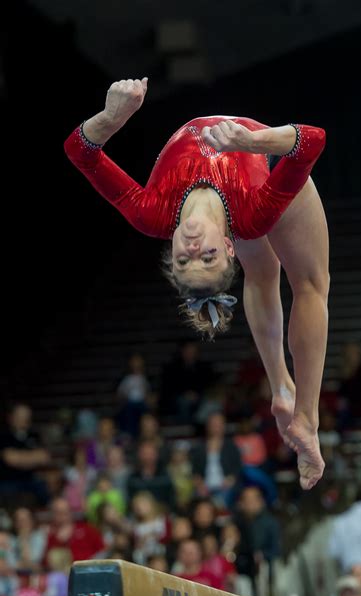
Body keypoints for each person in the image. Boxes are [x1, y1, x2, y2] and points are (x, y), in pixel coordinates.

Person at [64, 77, 329, 490]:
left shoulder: (150, 213)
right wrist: (254, 143)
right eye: (207, 256)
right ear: (228, 246)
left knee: (263, 272)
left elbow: (80, 152)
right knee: (310, 284)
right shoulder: (253, 214)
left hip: (243, 188)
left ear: (171, 250)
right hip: (263, 169)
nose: (192, 246)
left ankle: (280, 386)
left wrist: (111, 118)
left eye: (184, 259)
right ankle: (306, 418)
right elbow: (312, 142)